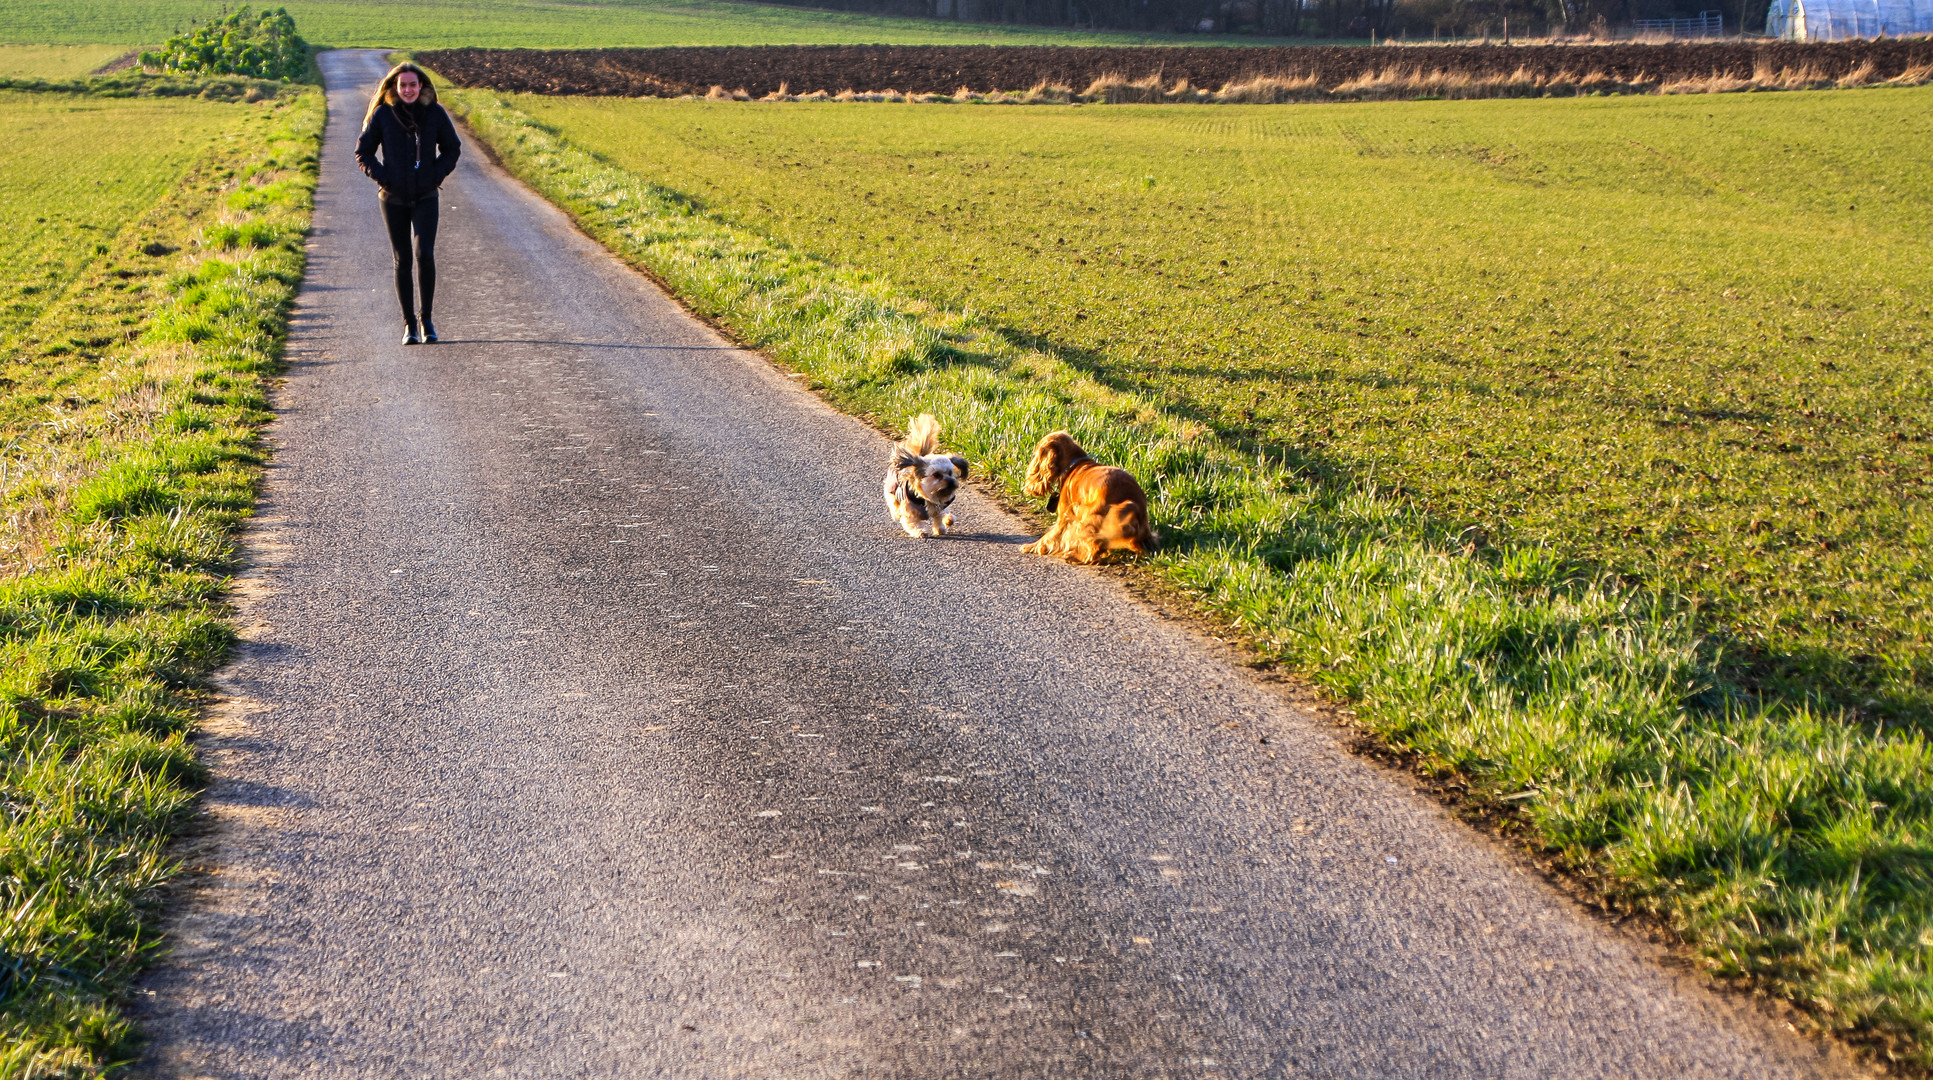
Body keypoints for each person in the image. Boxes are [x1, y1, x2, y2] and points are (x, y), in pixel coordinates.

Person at [355, 62, 460, 345]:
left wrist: (434, 175)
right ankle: (409, 325)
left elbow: (452, 148)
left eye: (413, 85)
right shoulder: (382, 115)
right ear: (394, 87)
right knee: (402, 260)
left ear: (422, 86)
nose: (409, 90)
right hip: (393, 198)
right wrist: (384, 178)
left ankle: (427, 320)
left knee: (424, 254)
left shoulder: (435, 113)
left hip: (426, 196)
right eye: (403, 85)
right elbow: (363, 152)